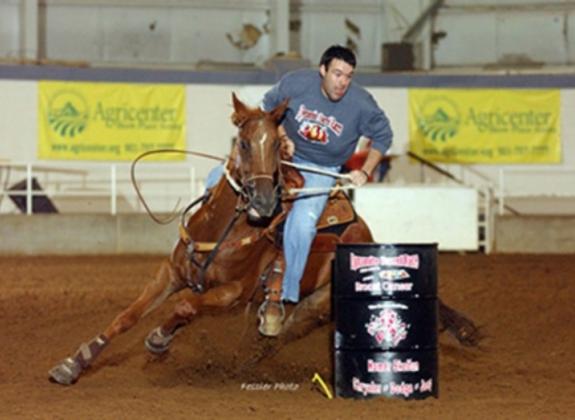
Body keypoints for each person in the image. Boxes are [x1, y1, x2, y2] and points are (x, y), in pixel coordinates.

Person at [257, 45, 393, 336]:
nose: (342, 82)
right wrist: (282, 137)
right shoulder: (296, 83)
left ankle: (286, 294)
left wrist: (365, 170)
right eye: (337, 74)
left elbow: (383, 135)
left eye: (348, 76)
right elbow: (267, 105)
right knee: (222, 179)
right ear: (322, 70)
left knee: (304, 221)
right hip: (284, 158)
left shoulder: (361, 103)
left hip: (323, 169)